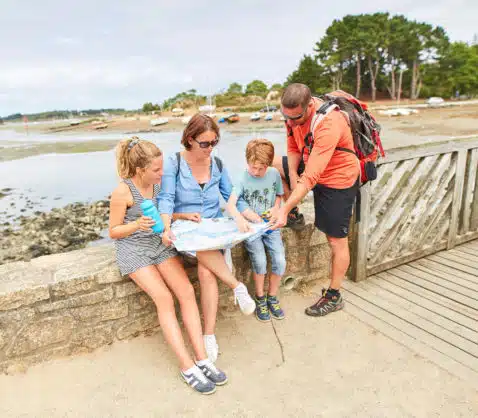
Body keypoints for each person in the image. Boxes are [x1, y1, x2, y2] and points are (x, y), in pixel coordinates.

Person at [109, 137, 227, 395]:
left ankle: (202, 359)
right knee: (164, 298)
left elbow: (161, 213)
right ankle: (187, 366)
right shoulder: (123, 192)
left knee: (186, 292)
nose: (162, 173)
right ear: (140, 170)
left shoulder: (156, 184)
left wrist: (180, 215)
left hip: (158, 243)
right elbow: (113, 230)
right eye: (156, 169)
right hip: (134, 249)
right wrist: (135, 225)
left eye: (162, 167)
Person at [158, 114, 256, 363]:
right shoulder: (173, 163)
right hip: (186, 230)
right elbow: (166, 199)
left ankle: (208, 334)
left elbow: (232, 197)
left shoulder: (218, 164)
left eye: (214, 142)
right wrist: (165, 227)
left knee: (206, 271)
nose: (210, 148)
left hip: (212, 231)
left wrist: (252, 216)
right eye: (205, 143)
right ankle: (236, 286)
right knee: (204, 256)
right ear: (190, 139)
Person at [272, 83, 360, 317]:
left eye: (296, 119)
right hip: (311, 162)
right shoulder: (292, 116)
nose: (291, 123)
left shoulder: (329, 123)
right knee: (273, 165)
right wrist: (292, 174)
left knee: (336, 240)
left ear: (310, 105)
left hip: (338, 178)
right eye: (286, 117)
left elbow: (311, 177)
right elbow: (293, 145)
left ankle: (334, 295)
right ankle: (295, 215)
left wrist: (283, 208)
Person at [226, 139, 286, 322]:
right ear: (247, 162)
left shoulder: (274, 174)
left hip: (270, 225)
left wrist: (276, 208)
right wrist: (240, 218)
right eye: (253, 167)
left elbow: (279, 195)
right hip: (252, 228)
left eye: (261, 168)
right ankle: (260, 297)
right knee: (259, 261)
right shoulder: (242, 178)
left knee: (280, 260)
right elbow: (231, 204)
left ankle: (272, 296)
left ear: (268, 164)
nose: (256, 172)